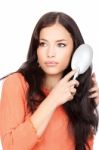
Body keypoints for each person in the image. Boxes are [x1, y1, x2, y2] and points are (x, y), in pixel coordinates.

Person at [0, 11, 99, 150]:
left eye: (61, 45)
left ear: (75, 50)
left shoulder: (79, 94)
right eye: (43, 44)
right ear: (36, 49)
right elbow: (11, 147)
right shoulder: (16, 83)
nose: (50, 53)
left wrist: (90, 107)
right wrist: (53, 100)